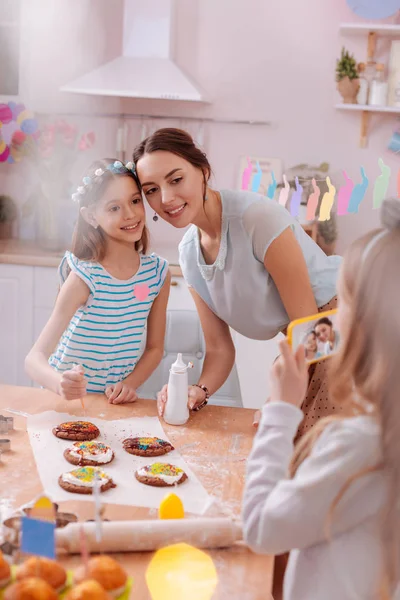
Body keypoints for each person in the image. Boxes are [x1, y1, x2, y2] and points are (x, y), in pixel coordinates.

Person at [133, 128, 341, 435]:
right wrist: (199, 391)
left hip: (338, 331)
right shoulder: (189, 254)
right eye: (151, 190)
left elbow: (311, 326)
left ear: (203, 171)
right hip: (307, 344)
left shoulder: (256, 219)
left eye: (176, 180)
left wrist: (279, 401)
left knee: (315, 455)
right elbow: (219, 349)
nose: (165, 198)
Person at [242, 198, 400, 600]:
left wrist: (281, 411)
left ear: (366, 325)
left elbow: (261, 530)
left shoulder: (360, 446)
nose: (329, 316)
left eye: (341, 301)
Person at [25, 159, 170, 404]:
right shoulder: (85, 277)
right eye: (114, 208)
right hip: (64, 400)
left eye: (135, 201)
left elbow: (155, 348)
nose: (130, 214)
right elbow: (35, 357)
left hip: (111, 401)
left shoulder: (157, 275)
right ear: (91, 216)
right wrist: (59, 383)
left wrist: (129, 384)